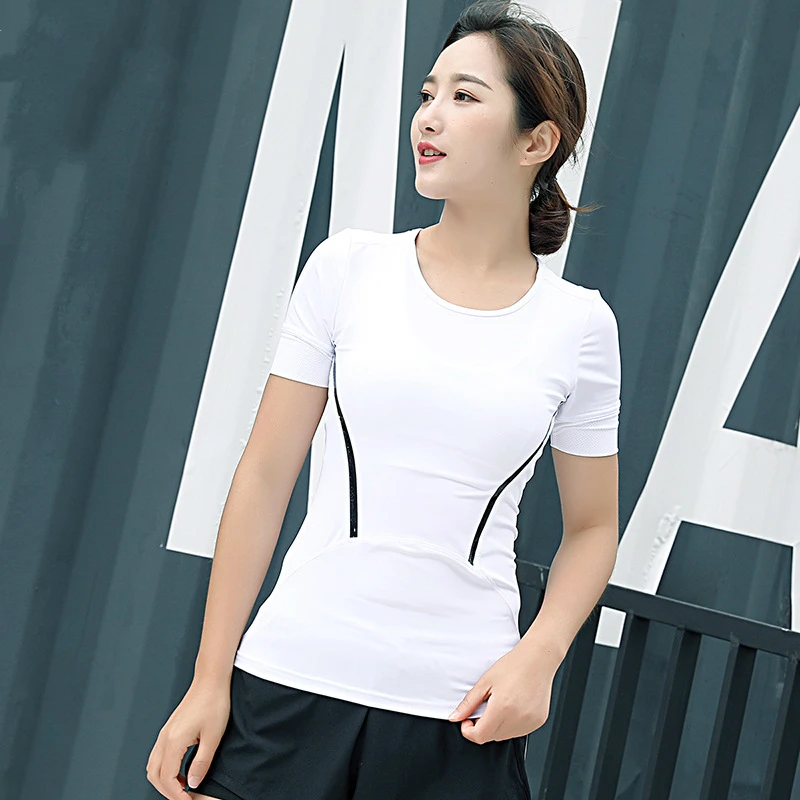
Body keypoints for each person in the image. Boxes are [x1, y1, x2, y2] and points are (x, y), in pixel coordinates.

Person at [146, 2, 621, 798]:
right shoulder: (348, 269)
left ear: (537, 142)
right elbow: (264, 476)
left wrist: (539, 657)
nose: (428, 117)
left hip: (459, 718)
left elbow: (594, 527)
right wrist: (209, 679)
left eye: (464, 97)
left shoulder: (580, 327)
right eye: (428, 94)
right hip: (290, 685)